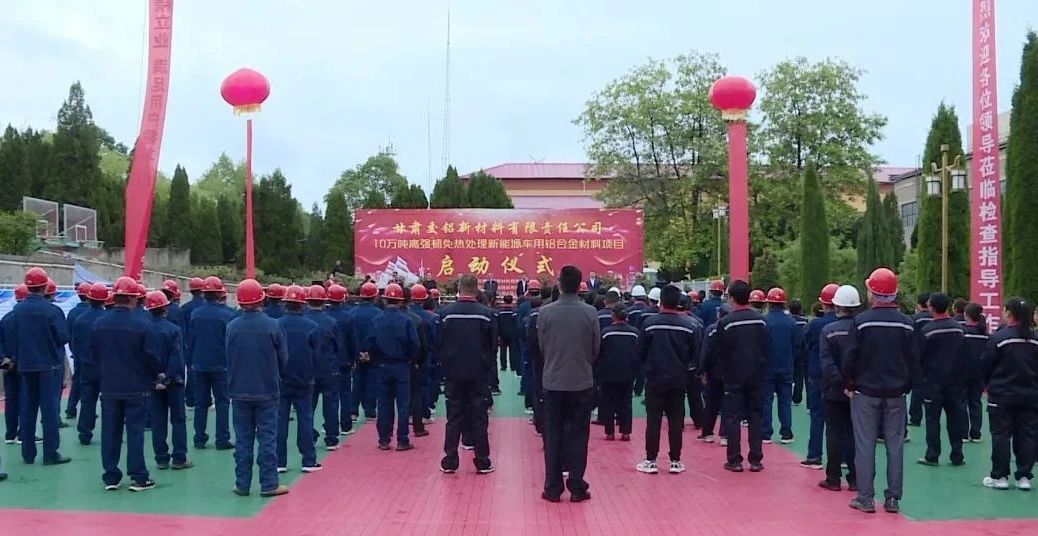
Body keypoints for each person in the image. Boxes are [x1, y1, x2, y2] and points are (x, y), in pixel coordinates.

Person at [842, 268, 919, 514]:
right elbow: (915, 360)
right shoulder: (907, 324)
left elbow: (849, 357)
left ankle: (865, 497)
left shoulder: (861, 322)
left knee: (865, 444)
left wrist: (849, 384)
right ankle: (893, 498)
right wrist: (906, 385)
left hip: (865, 392)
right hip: (896, 393)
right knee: (895, 445)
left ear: (872, 293)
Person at [92, 277, 163, 491]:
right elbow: (151, 356)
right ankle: (138, 476)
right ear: (133, 299)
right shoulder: (142, 325)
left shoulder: (99, 324)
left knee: (110, 432)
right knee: (135, 432)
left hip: (109, 386)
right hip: (136, 387)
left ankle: (111, 476)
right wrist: (156, 376)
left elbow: (94, 354)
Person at [537, 266, 600, 503]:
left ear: (559, 284)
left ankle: (553, 487)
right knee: (579, 434)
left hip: (553, 381)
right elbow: (595, 349)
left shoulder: (545, 313)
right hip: (581, 381)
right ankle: (576, 486)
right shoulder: (590, 313)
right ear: (580, 284)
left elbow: (543, 347)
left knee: (553, 434)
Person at [226, 280, 288, 496]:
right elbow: (283, 358)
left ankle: (242, 484)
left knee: (243, 440)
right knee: (267, 438)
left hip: (239, 390)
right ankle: (269, 483)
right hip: (267, 389)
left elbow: (229, 355)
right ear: (261, 299)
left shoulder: (231, 327)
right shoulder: (273, 325)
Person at [6, 267, 71, 465]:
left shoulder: (17, 311)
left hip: (26, 366)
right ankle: (50, 453)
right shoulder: (52, 311)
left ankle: (28, 453)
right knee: (49, 411)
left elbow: (12, 338)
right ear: (45, 287)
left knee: (27, 409)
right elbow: (63, 337)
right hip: (49, 366)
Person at [636, 285, 701, 475]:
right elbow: (695, 355)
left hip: (654, 379)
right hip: (678, 379)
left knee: (653, 420)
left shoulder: (649, 324)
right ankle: (675, 460)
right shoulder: (689, 326)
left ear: (660, 301)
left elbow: (640, 352)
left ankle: (651, 460)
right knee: (675, 420)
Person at [437, 274, 496, 474]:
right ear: (477, 289)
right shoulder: (486, 314)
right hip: (478, 374)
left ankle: (450, 460)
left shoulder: (446, 314)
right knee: (479, 417)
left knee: (454, 417)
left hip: (453, 373)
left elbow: (439, 343)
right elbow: (492, 346)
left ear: (459, 288)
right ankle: (482, 460)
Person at [978, 297, 1037, 491]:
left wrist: (987, 385)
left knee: (1001, 436)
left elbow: (985, 365)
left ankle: (1000, 476)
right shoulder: (1034, 339)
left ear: (1009, 313)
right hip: (1029, 396)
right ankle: (1024, 477)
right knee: (1027, 436)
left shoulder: (999, 338)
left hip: (1001, 395)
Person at [711, 280, 768, 473]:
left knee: (733, 417)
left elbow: (720, 352)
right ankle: (756, 459)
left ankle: (734, 460)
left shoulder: (726, 323)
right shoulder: (761, 321)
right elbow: (766, 346)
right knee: (755, 417)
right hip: (756, 375)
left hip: (733, 376)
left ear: (732, 298)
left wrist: (721, 374)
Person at [364, 283, 420, 451]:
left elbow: (369, 343)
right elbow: (415, 345)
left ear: (385, 299)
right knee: (403, 405)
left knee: (383, 403)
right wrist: (411, 359)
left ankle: (384, 439)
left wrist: (376, 359)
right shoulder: (407, 321)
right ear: (401, 300)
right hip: (402, 366)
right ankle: (402, 440)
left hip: (382, 366)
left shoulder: (377, 320)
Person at [917, 292, 967, 468]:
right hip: (956, 381)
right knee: (955, 418)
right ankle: (957, 454)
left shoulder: (927, 331)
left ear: (931, 307)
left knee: (932, 419)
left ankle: (932, 455)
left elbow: (919, 356)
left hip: (933, 381)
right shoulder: (959, 328)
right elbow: (965, 354)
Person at [818, 285, 860, 492]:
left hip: (834, 391)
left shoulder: (828, 331)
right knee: (855, 434)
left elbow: (827, 363)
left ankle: (833, 477)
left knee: (834, 433)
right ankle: (855, 478)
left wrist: (841, 383)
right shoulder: (861, 329)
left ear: (836, 306)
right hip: (858, 390)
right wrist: (852, 384)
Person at [144, 290, 192, 471]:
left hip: (153, 382)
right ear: (165, 308)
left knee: (158, 421)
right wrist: (167, 377)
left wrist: (156, 377)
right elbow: (176, 356)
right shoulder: (174, 330)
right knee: (178, 419)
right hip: (174, 382)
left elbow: (146, 356)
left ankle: (161, 458)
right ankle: (179, 457)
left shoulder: (145, 330)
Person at [275, 285, 321, 474]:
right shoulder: (312, 326)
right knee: (305, 419)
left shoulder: (276, 324)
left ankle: (279, 462)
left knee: (280, 420)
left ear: (285, 303)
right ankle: (308, 460)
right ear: (303, 304)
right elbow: (317, 354)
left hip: (280, 379)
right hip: (304, 379)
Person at [187, 276, 236, 450]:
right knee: (222, 402)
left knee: (201, 403)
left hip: (199, 363)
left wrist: (191, 360)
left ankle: (199, 438)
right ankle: (222, 439)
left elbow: (191, 339)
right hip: (221, 364)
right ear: (219, 294)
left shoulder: (195, 314)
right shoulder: (227, 315)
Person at [800, 283, 839, 470]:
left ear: (823, 304)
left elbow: (804, 344)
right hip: (841, 377)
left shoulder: (815, 324)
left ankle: (815, 455)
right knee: (841, 420)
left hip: (818, 374)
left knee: (817, 416)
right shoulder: (851, 324)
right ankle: (843, 457)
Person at [68, 283, 108, 446]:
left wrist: (81, 358)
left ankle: (85, 432)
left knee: (87, 401)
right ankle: (110, 433)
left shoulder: (80, 319)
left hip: (86, 365)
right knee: (108, 402)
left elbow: (74, 343)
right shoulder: (107, 319)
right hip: (105, 367)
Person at [304, 285, 343, 451]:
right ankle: (331, 438)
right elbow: (339, 346)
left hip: (308, 370)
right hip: (328, 368)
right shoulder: (331, 322)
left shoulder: (304, 321)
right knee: (331, 405)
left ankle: (309, 436)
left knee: (307, 407)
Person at [596, 304, 639, 442]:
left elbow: (598, 352)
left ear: (613, 316)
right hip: (628, 372)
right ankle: (626, 432)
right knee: (626, 402)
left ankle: (610, 432)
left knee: (608, 401)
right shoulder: (634, 333)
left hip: (608, 373)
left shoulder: (606, 333)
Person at [762, 288, 799, 445]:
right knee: (785, 401)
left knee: (766, 400)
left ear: (769, 303)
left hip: (767, 367)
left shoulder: (764, 321)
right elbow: (797, 345)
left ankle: (765, 433)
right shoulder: (791, 322)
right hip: (786, 367)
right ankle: (786, 433)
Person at [326, 284, 358, 436]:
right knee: (345, 394)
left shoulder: (325, 317)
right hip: (344, 360)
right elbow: (353, 340)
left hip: (327, 362)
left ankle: (329, 426)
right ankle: (346, 425)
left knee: (329, 398)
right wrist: (354, 358)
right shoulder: (348, 317)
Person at [406, 284, 438, 438]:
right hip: (425, 357)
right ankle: (424, 414)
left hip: (405, 358)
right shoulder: (431, 317)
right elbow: (435, 340)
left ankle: (408, 415)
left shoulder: (406, 315)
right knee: (423, 387)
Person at [1, 284, 29, 452]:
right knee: (26, 399)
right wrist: (15, 359)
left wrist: (4, 361)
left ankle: (10, 434)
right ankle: (23, 434)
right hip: (24, 365)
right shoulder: (25, 320)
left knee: (11, 401)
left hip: (8, 367)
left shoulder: (5, 319)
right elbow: (26, 343)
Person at [350, 283, 382, 420]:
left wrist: (357, 352)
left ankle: (353, 411)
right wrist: (369, 351)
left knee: (356, 382)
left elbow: (350, 335)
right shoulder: (378, 314)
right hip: (373, 353)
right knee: (372, 382)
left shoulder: (352, 313)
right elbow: (379, 336)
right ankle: (370, 411)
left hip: (356, 353)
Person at [64, 282, 92, 421]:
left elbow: (67, 334)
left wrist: (74, 350)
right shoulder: (94, 314)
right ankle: (88, 412)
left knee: (77, 382)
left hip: (77, 353)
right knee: (91, 385)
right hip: (93, 356)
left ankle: (71, 408)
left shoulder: (72, 313)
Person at [961, 303, 988, 443]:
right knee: (976, 402)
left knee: (962, 402)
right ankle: (976, 434)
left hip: (963, 372)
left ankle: (963, 433)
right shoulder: (986, 335)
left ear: (967, 315)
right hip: (979, 373)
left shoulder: (962, 332)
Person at [179, 277, 206, 409]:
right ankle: (204, 397)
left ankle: (190, 398)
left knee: (191, 371)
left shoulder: (184, 308)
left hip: (189, 343)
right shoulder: (204, 307)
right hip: (204, 344)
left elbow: (182, 328)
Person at [908, 292, 934, 427]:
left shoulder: (914, 319)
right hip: (934, 356)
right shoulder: (935, 318)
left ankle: (915, 417)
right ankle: (932, 412)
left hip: (917, 355)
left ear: (919, 304)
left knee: (917, 387)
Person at [789, 299, 809, 406]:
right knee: (799, 375)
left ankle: (789, 394)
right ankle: (797, 397)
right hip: (802, 350)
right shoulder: (804, 321)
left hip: (790, 349)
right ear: (800, 309)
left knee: (789, 373)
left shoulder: (788, 320)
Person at [497, 295, 519, 373]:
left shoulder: (500, 312)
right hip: (513, 333)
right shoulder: (514, 312)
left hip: (502, 334)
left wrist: (498, 333)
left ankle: (503, 366)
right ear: (512, 301)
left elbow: (498, 323)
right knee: (513, 350)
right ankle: (513, 366)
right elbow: (516, 322)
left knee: (503, 351)